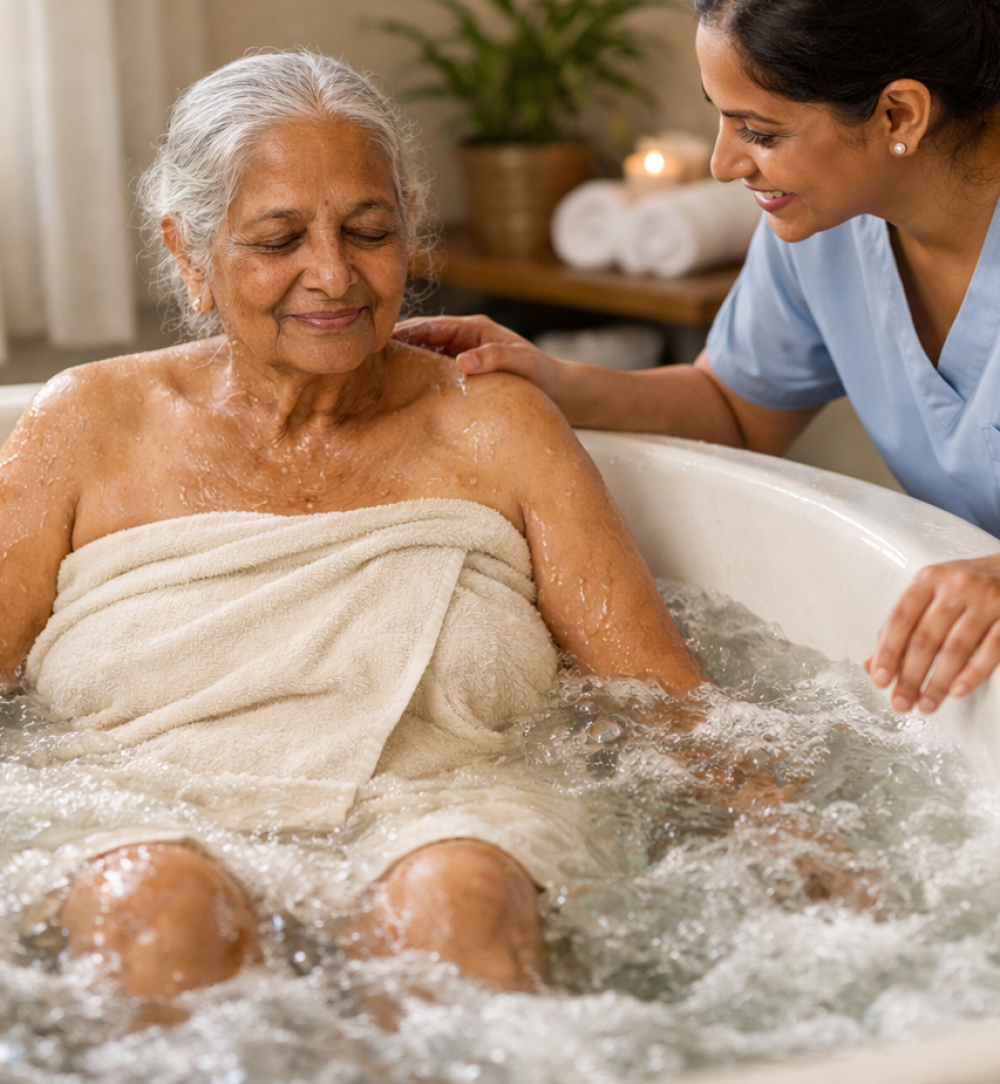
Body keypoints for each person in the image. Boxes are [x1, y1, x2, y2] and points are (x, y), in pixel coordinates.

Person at [0, 51, 706, 1005]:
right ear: (189, 253)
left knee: (452, 909)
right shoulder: (86, 424)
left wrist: (802, 843)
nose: (333, 275)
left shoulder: (498, 427)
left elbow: (668, 704)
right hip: (136, 808)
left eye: (369, 232)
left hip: (455, 808)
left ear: (409, 230)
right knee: (154, 909)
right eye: (278, 239)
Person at [396, 0, 1000, 721]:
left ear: (899, 112)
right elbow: (735, 409)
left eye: (761, 132)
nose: (723, 165)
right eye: (721, 120)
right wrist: (553, 382)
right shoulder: (824, 231)